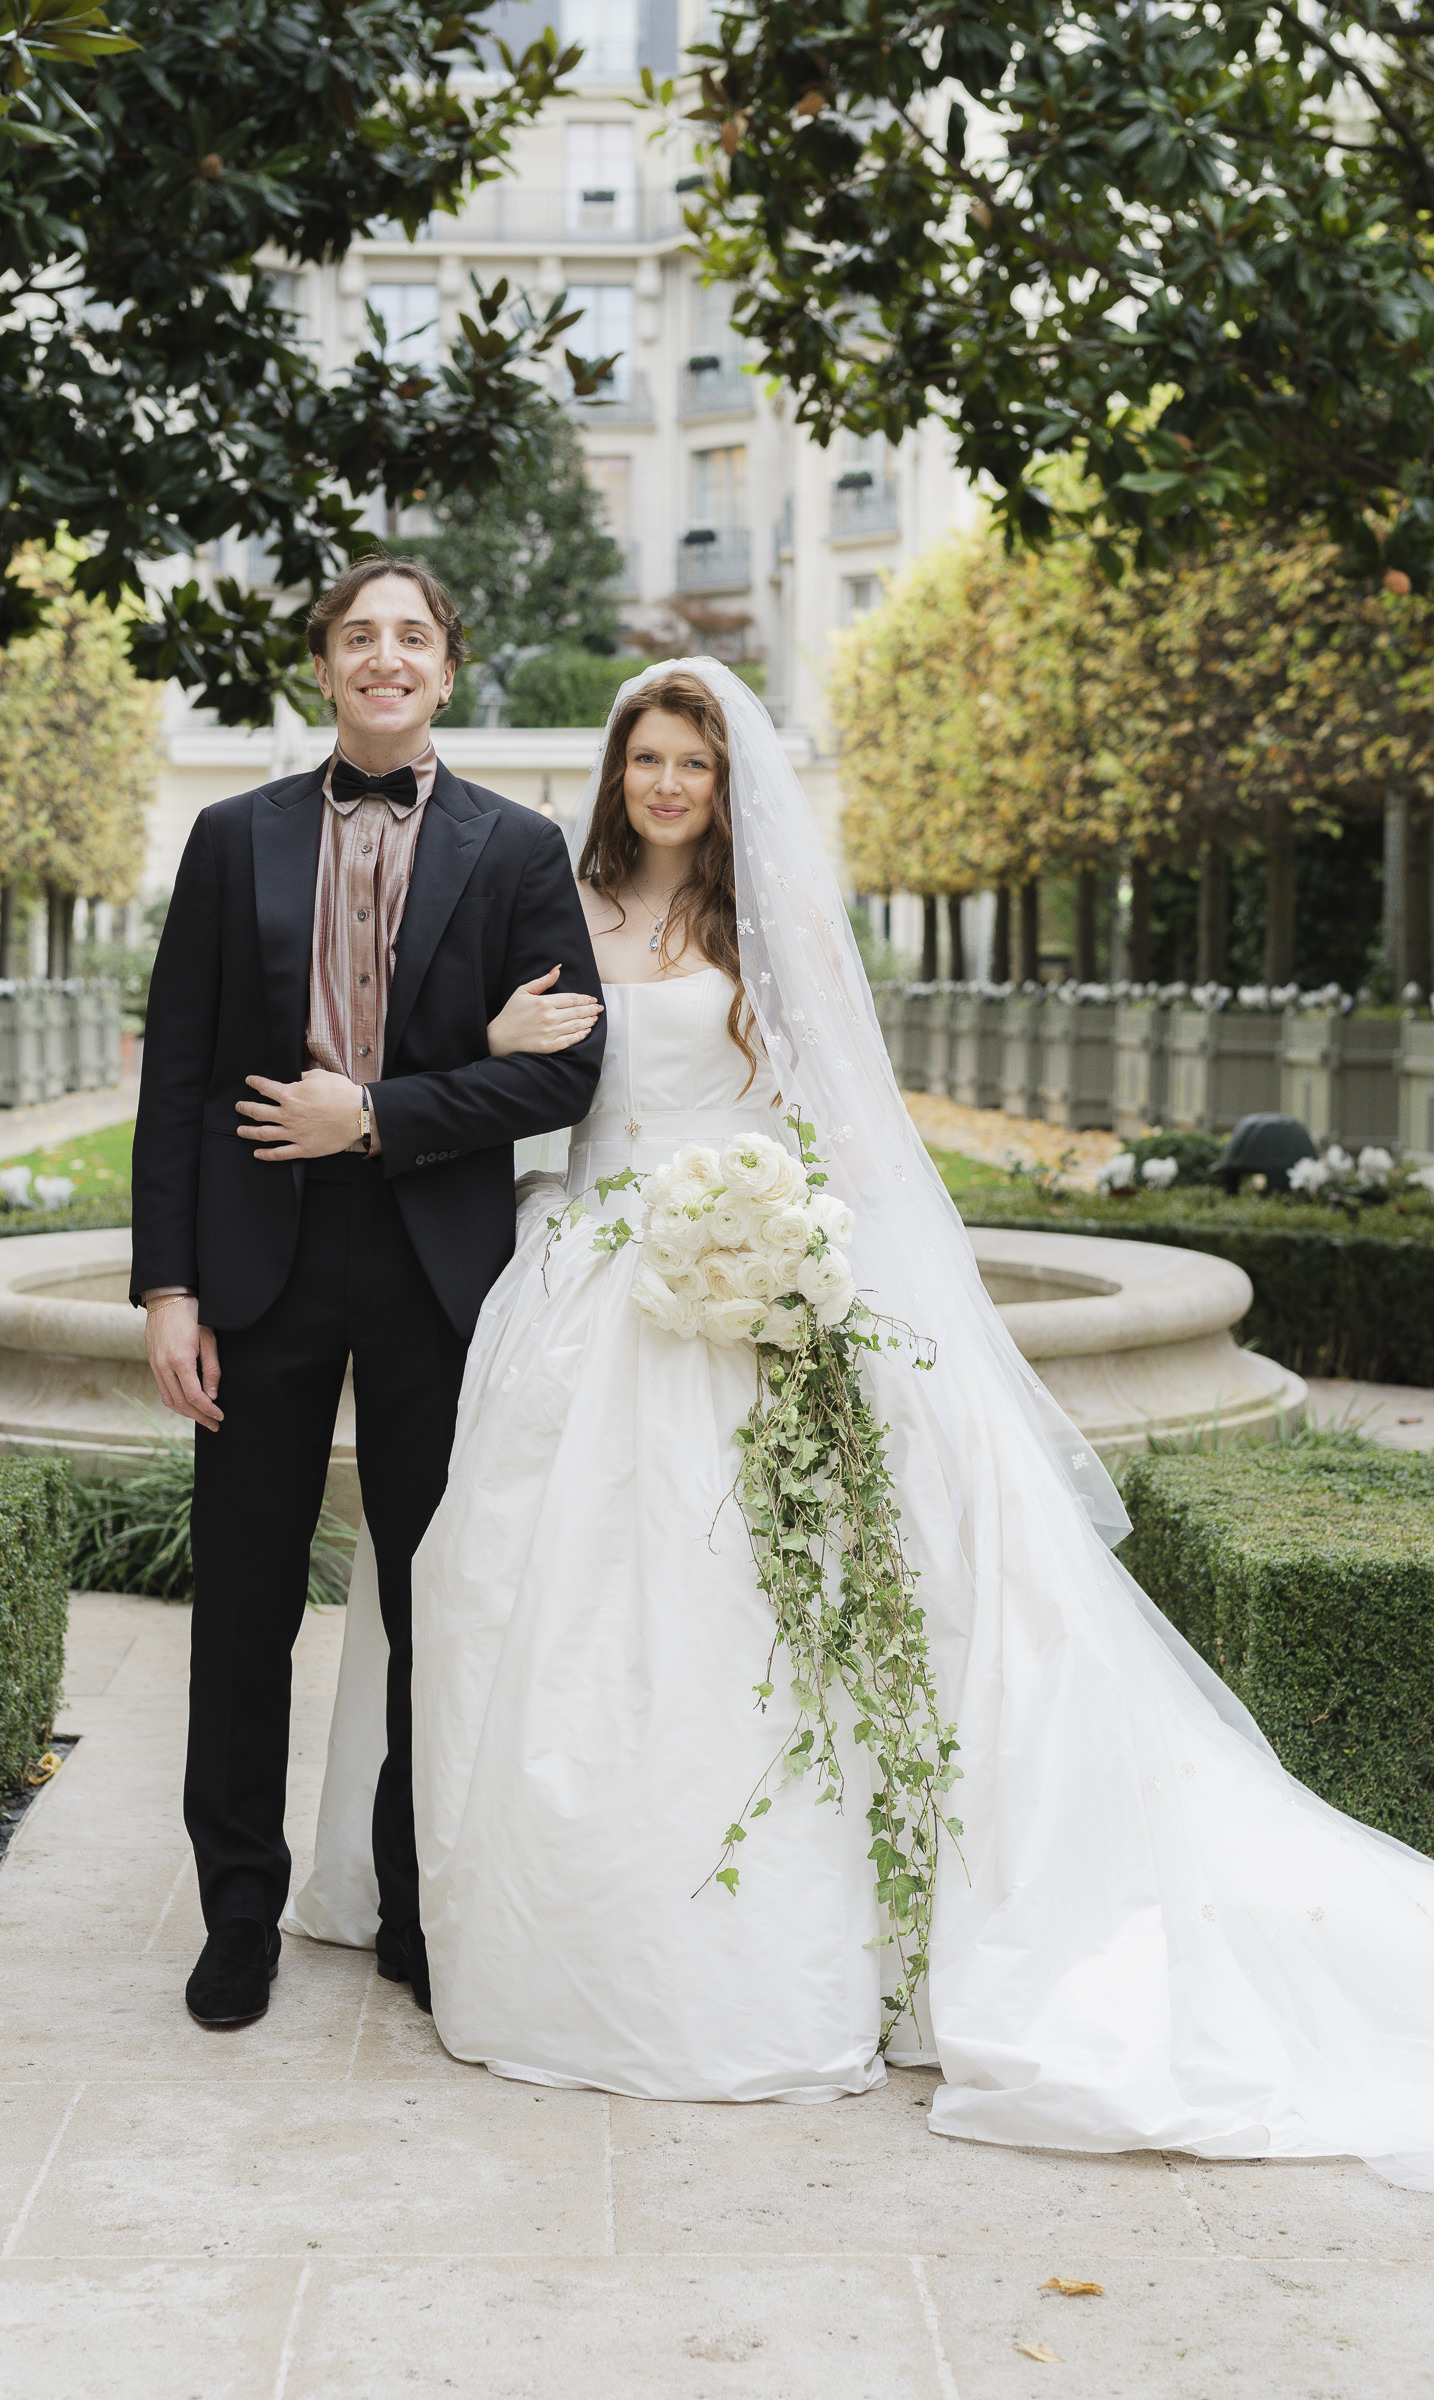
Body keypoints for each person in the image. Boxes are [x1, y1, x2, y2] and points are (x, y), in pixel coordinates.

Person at [291, 655, 1434, 2187]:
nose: (668, 784)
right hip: (576, 1275)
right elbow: (493, 1088)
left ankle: (786, 1934)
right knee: (513, 1589)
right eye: (648, 757)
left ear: (727, 783)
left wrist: (784, 1254)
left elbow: (838, 1128)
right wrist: (492, 1049)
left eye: (694, 761)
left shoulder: (763, 925)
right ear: (617, 773)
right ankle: (515, 1907)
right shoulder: (554, 902)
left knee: (747, 1610)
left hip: (739, 1280)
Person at [131, 558, 604, 2030]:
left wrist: (380, 1114)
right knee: (244, 1605)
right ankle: (237, 1917)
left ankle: (412, 1906)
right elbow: (178, 1077)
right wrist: (167, 1288)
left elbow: (567, 1072)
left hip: (434, 1269)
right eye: (357, 636)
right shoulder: (232, 837)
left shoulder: (520, 848)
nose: (383, 657)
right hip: (255, 1264)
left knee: (429, 1600)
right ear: (324, 667)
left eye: (410, 636)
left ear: (447, 670)